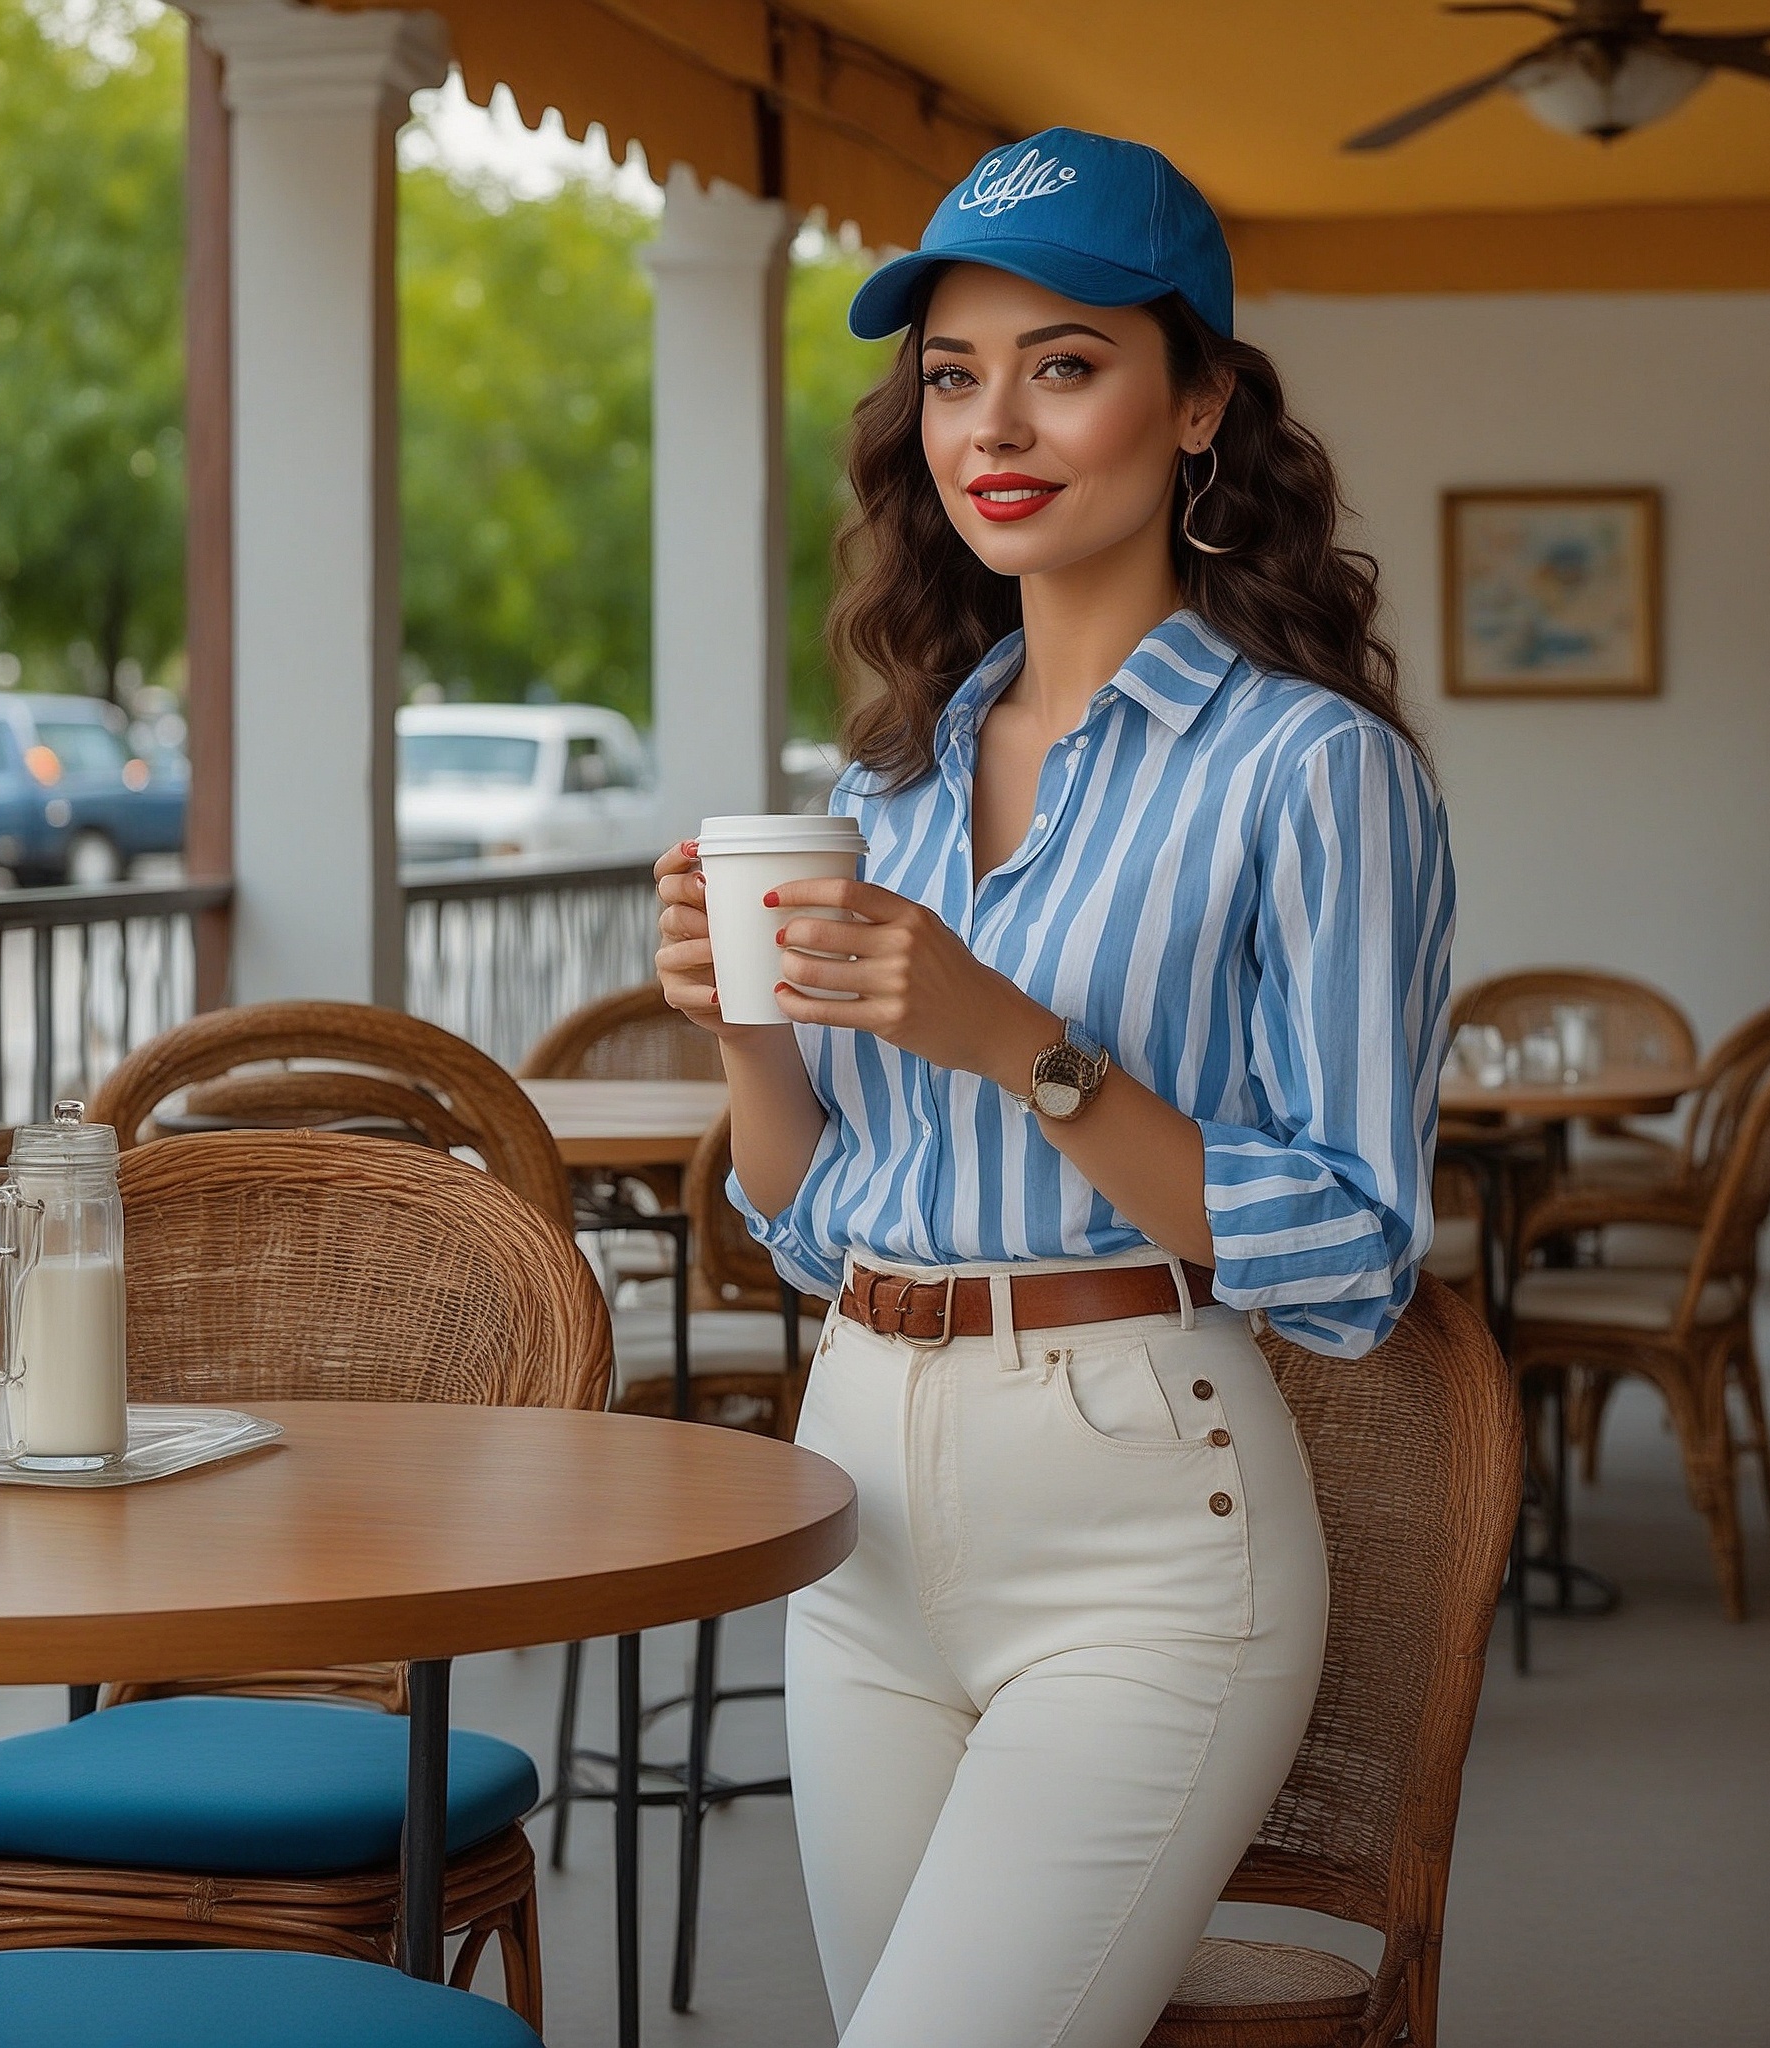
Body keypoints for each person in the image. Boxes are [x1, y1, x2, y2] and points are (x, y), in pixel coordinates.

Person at [653, 126, 1454, 2048]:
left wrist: (1011, 1035)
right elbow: (800, 1215)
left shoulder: (1310, 772)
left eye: (1065, 363)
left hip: (1140, 1535)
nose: (990, 423)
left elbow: (1351, 1251)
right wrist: (745, 1025)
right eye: (951, 373)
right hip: (859, 1516)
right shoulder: (887, 786)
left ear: (1199, 408)